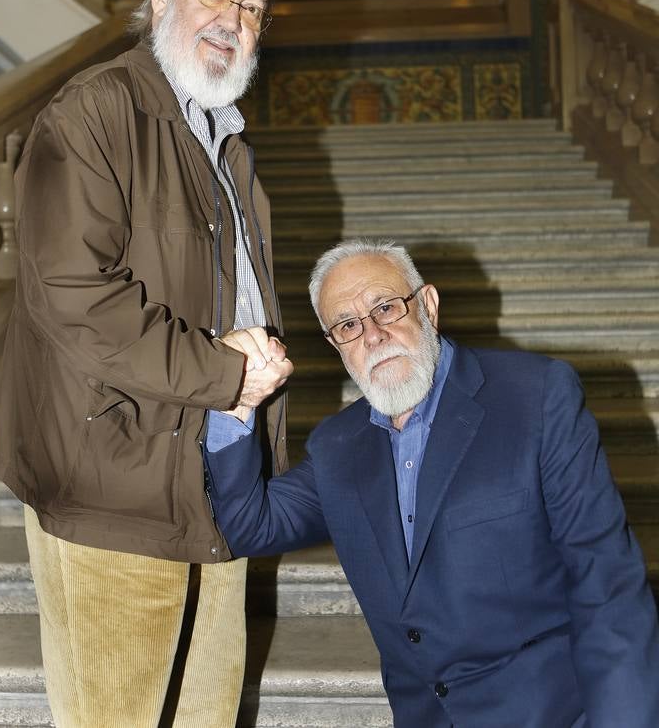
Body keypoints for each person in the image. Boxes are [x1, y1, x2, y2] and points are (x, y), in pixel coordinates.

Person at [0, 0, 293, 728]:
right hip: (111, 481)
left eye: (254, 6)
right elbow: (75, 298)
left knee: (207, 714)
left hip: (215, 478)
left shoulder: (226, 142)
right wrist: (227, 374)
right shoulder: (94, 112)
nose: (234, 17)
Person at [205, 239, 659, 728]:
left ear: (428, 306)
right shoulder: (338, 447)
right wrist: (236, 402)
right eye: (348, 325)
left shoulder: (536, 397)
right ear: (335, 346)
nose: (373, 335)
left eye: (385, 307)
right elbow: (248, 526)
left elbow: (607, 587)